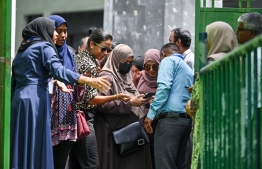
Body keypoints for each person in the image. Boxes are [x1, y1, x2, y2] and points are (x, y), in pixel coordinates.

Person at [10, 17, 110, 169]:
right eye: (54, 30)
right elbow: (58, 71)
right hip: (36, 100)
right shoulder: (45, 47)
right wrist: (87, 80)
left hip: (19, 101)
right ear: (45, 30)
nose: (58, 35)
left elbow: (14, 82)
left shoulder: (23, 50)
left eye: (64, 31)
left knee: (23, 143)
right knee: (37, 145)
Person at [66, 28, 130, 169]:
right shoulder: (90, 65)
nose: (105, 53)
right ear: (92, 44)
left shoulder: (79, 58)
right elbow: (91, 100)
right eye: (103, 49)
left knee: (76, 164)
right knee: (92, 164)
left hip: (74, 116)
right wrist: (117, 96)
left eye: (108, 50)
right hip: (83, 117)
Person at [94, 44, 153, 169]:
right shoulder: (106, 77)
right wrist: (130, 103)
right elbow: (103, 104)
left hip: (131, 131)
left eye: (130, 62)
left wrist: (143, 101)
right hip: (117, 133)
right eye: (125, 61)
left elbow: (131, 96)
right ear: (116, 60)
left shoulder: (126, 77)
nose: (128, 65)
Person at [144, 44, 194, 169]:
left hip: (170, 122)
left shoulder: (167, 60)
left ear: (163, 54)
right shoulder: (187, 68)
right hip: (185, 121)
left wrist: (151, 114)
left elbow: (164, 87)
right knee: (180, 164)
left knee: (164, 164)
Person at [47, 15, 80, 169]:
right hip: (47, 119)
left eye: (65, 31)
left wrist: (83, 82)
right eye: (58, 31)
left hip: (67, 119)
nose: (63, 35)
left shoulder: (71, 54)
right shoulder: (44, 53)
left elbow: (76, 85)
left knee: (60, 164)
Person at [136, 49, 160, 169]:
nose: (151, 71)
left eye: (155, 67)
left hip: (159, 123)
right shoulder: (139, 77)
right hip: (142, 122)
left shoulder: (164, 79)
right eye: (147, 67)